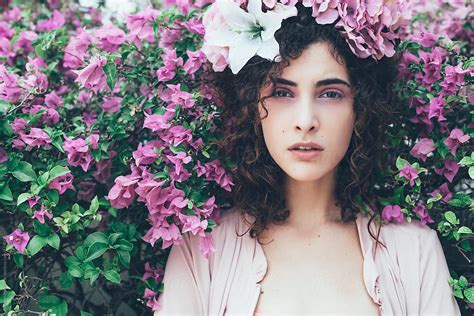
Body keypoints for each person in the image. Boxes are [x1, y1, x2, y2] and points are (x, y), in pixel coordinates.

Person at [155, 0, 462, 315]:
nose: (305, 120)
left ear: (361, 108)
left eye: (330, 93)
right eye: (282, 92)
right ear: (250, 106)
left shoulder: (415, 251)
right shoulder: (202, 251)